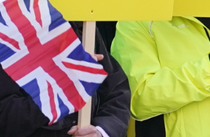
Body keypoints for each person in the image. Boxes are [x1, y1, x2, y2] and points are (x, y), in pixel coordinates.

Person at [1, 22, 130, 137]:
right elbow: (6, 118)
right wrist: (62, 85)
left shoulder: (84, 28)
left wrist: (100, 131)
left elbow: (117, 91)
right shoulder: (8, 37)